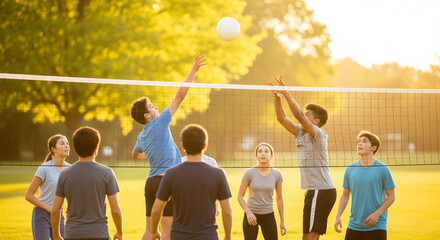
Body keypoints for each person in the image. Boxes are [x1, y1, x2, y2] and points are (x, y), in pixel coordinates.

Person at [130, 54, 206, 240]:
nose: (155, 107)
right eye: (151, 106)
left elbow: (134, 154)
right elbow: (180, 96)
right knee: (167, 233)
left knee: (150, 232)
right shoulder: (160, 122)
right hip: (167, 181)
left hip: (151, 183)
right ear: (147, 116)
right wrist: (193, 70)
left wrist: (149, 155)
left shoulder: (142, 135)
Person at [268, 75, 336, 240]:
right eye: (305, 114)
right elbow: (282, 119)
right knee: (310, 235)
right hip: (316, 190)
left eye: (308, 115)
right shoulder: (301, 132)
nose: (305, 117)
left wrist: (287, 93)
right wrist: (277, 98)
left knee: (308, 236)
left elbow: (298, 115)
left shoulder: (318, 134)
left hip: (321, 190)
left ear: (316, 121)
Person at [147, 124, 233, 240]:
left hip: (179, 236)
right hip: (208, 236)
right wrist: (228, 237)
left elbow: (157, 209)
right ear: (205, 146)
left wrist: (153, 232)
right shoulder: (218, 174)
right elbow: (227, 211)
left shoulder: (171, 174)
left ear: (183, 146)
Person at [51, 126, 123, 240]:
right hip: (100, 234)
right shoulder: (107, 173)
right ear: (96, 147)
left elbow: (55, 210)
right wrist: (120, 232)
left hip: (73, 234)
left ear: (75, 147)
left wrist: (56, 236)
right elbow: (115, 209)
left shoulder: (65, 174)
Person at [334, 131, 395, 240]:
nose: (359, 144)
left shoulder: (383, 169)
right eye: (359, 141)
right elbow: (345, 195)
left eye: (364, 141)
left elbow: (391, 196)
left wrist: (377, 214)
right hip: (354, 225)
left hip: (377, 225)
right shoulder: (350, 169)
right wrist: (338, 216)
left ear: (373, 148)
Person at [25, 134, 71, 240]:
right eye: (62, 143)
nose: (67, 146)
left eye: (67, 144)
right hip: (41, 215)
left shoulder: (70, 168)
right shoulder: (44, 168)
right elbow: (28, 195)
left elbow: (71, 192)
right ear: (53, 149)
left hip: (59, 214)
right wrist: (49, 208)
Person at [237, 143, 286, 240]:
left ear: (271, 156)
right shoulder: (249, 173)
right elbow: (239, 196)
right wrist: (248, 212)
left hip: (268, 216)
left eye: (266, 151)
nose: (263, 154)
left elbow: (279, 199)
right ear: (256, 156)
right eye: (260, 151)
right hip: (251, 216)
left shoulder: (277, 174)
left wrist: (282, 222)